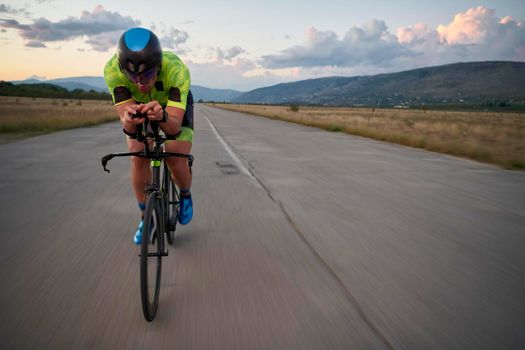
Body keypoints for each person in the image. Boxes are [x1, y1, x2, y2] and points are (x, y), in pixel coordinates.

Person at [104, 27, 194, 244]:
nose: (139, 83)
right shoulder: (112, 71)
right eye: (132, 76)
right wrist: (129, 122)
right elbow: (129, 127)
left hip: (171, 108)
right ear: (122, 68)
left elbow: (173, 129)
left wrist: (162, 116)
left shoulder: (176, 70)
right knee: (137, 154)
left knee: (174, 155)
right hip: (140, 107)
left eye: (147, 75)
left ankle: (185, 194)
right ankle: (146, 217)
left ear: (159, 66)